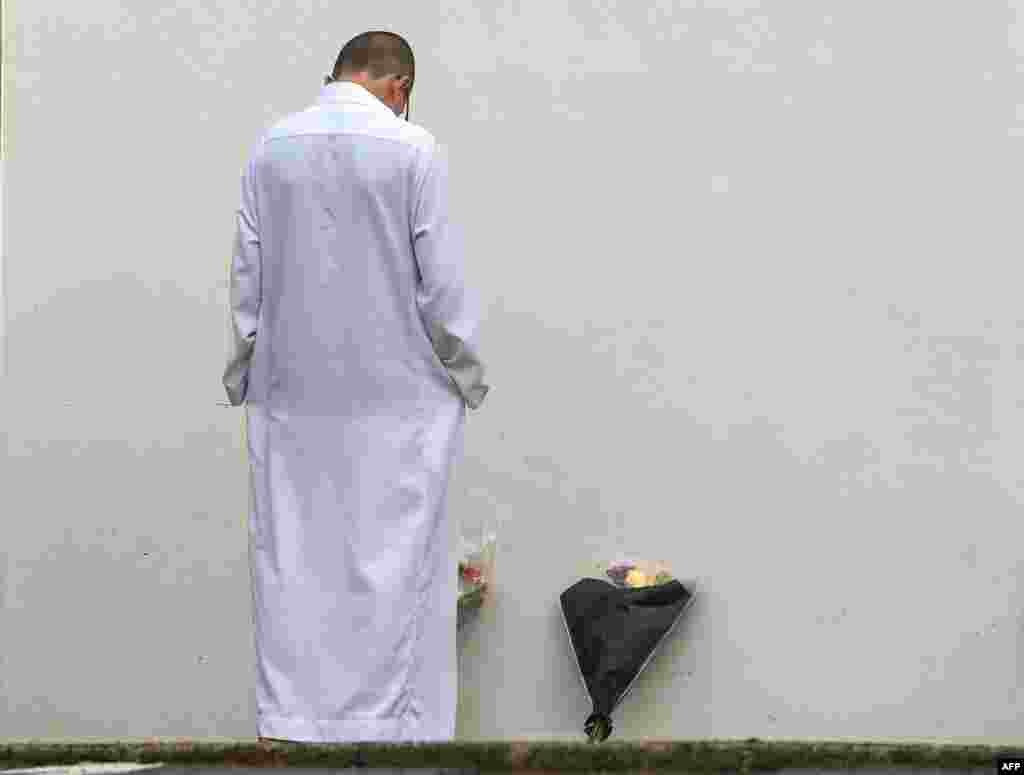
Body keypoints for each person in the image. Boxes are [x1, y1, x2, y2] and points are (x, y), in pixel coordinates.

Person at [222, 30, 491, 744]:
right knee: (397, 578)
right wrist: (467, 377)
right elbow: (446, 295)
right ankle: (399, 743)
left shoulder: (270, 149)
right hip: (399, 411)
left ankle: (294, 729)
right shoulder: (415, 150)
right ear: (399, 87)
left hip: (295, 412)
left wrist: (248, 373)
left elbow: (246, 290)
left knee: (296, 573)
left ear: (338, 75)